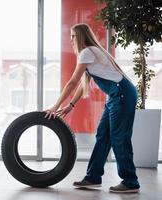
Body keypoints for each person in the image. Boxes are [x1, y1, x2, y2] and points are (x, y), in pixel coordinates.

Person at [44, 23, 140, 193]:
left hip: (122, 94)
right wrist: (70, 105)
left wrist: (55, 106)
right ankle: (93, 177)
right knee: (103, 135)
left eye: (73, 36)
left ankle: (130, 181)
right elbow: (82, 85)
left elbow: (72, 82)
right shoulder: (91, 53)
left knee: (119, 137)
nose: (71, 39)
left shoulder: (87, 52)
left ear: (81, 36)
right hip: (116, 95)